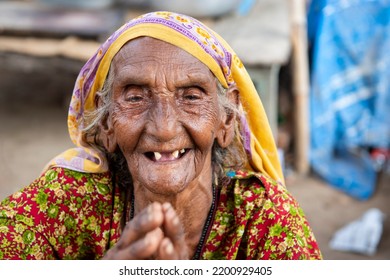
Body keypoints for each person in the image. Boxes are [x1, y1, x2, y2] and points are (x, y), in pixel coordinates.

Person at [0, 11, 322, 260]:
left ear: (226, 118)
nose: (164, 128)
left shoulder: (262, 218)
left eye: (191, 96)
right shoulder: (70, 199)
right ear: (107, 123)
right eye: (136, 97)